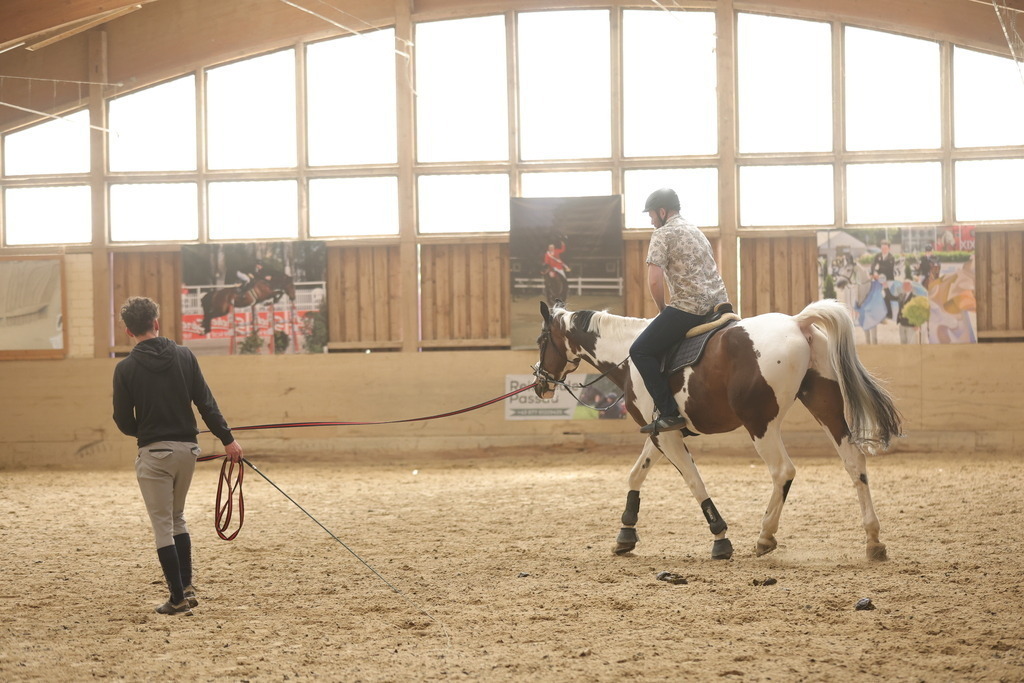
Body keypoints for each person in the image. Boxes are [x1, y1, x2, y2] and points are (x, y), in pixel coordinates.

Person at [112, 297, 243, 616]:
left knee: (162, 524)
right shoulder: (184, 356)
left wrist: (145, 430)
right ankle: (185, 585)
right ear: (156, 323)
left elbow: (122, 419)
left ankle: (177, 599)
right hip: (188, 450)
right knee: (177, 517)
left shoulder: (125, 368)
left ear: (129, 331)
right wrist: (228, 440)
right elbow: (206, 403)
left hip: (155, 452)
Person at [629, 188, 728, 435]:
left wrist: (663, 309)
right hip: (720, 304)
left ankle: (669, 413)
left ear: (662, 212)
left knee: (639, 350)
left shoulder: (663, 234)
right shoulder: (697, 232)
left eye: (651, 215)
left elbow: (654, 281)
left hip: (689, 308)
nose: (651, 221)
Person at [870, 241, 897, 320]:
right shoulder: (877, 256)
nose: (883, 250)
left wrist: (879, 272)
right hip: (878, 278)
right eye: (882, 248)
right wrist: (874, 272)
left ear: (889, 248)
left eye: (885, 248)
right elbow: (873, 265)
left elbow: (889, 269)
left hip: (888, 279)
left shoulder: (891, 258)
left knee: (886, 295)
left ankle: (889, 313)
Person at [542, 240, 571, 305]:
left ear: (554, 248)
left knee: (564, 280)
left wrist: (563, 244)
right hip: (551, 268)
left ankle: (565, 292)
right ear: (548, 248)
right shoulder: (547, 254)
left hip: (559, 268)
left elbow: (563, 250)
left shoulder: (557, 251)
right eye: (550, 247)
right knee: (548, 280)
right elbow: (546, 262)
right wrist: (548, 268)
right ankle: (547, 293)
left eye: (552, 247)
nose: (551, 248)